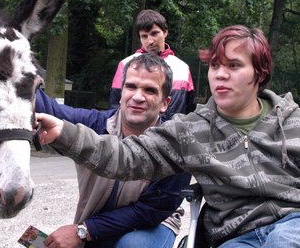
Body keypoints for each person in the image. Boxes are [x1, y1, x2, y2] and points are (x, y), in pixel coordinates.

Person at [36, 25, 300, 248]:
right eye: (215, 66)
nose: (220, 74)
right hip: (238, 237)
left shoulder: (297, 122)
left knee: (284, 242)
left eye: (234, 65)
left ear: (260, 74)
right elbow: (125, 157)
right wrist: (65, 133)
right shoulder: (191, 130)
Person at [35, 53, 191, 248]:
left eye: (150, 90)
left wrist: (84, 231)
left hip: (151, 225)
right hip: (95, 221)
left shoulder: (177, 145)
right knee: (36, 243)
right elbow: (49, 109)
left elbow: (147, 212)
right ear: (121, 92)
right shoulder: (96, 124)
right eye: (131, 86)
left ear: (165, 103)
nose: (137, 96)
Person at [109, 9, 196, 120]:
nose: (150, 41)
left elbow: (189, 110)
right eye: (144, 36)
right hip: (133, 135)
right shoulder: (125, 64)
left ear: (165, 32)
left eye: (154, 34)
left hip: (172, 134)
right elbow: (115, 107)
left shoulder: (182, 68)